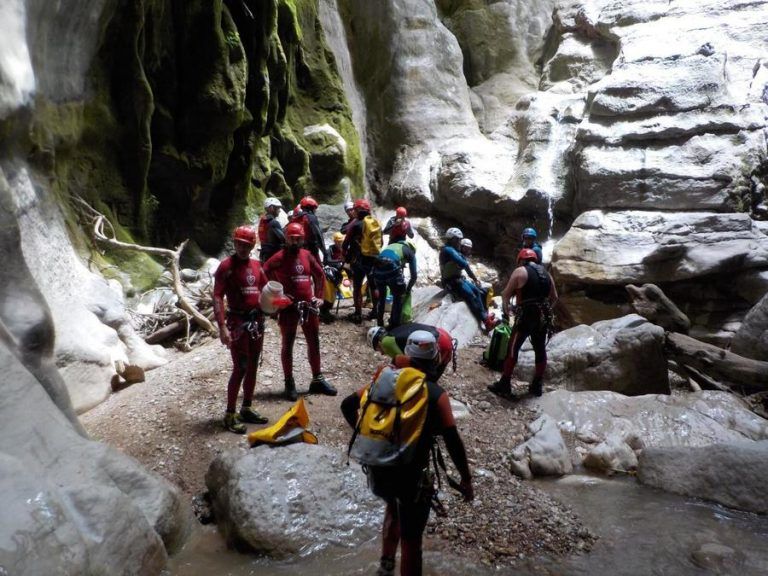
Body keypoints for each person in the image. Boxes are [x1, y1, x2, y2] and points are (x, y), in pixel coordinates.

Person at [342, 330, 473, 576]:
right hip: (412, 476)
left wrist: (368, 439)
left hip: (379, 468)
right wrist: (465, 479)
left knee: (393, 507)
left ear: (408, 355)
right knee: (412, 540)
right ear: (435, 358)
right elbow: (452, 440)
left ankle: (386, 566)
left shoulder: (386, 380)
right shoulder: (436, 394)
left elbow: (348, 405)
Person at [264, 222, 337, 400]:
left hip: (308, 306)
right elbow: (264, 271)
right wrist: (276, 295)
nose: (295, 242)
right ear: (286, 239)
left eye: (298, 239)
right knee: (287, 344)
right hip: (289, 308)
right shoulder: (279, 257)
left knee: (314, 341)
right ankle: (289, 382)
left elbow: (319, 274)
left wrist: (319, 297)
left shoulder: (307, 255)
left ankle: (317, 379)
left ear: (303, 239)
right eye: (292, 239)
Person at [213, 226, 270, 433]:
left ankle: (246, 407)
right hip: (237, 322)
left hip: (256, 321)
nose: (242, 248)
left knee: (253, 364)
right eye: (239, 244)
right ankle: (229, 414)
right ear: (234, 243)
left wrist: (277, 302)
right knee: (241, 367)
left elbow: (265, 290)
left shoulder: (257, 266)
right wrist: (221, 327)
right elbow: (217, 296)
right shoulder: (225, 267)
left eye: (247, 245)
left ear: (252, 246)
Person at [488, 248, 557, 398]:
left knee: (513, 349)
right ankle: (537, 385)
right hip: (542, 316)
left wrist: (506, 313)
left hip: (526, 315)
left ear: (521, 260)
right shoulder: (547, 274)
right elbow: (554, 298)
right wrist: (546, 312)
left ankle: (505, 384)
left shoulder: (520, 271)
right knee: (540, 350)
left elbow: (506, 294)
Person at [439, 227, 494, 331]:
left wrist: (474, 278)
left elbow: (464, 265)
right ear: (453, 239)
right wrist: (473, 277)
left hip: (458, 278)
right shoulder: (448, 250)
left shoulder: (453, 250)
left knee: (476, 291)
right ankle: (485, 321)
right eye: (458, 239)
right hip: (450, 281)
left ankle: (485, 316)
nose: (459, 242)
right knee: (471, 295)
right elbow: (463, 264)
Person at [342, 198, 382, 324]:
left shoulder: (355, 224)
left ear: (358, 210)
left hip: (358, 260)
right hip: (373, 259)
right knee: (373, 285)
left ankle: (358, 313)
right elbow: (381, 242)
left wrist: (346, 256)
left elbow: (345, 243)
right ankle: (376, 311)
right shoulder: (375, 222)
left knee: (357, 286)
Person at [367, 324, 455, 380]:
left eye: (378, 350)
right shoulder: (395, 332)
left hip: (439, 342)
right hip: (444, 336)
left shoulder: (386, 342)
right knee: (431, 379)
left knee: (425, 381)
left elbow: (402, 365)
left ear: (378, 343)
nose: (382, 353)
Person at [372, 239, 417, 328]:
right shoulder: (410, 252)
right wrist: (407, 290)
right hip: (391, 268)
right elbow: (414, 276)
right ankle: (394, 325)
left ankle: (380, 324)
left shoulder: (392, 245)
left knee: (381, 298)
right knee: (398, 298)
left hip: (376, 269)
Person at [297, 196, 329, 263]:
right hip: (310, 250)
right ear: (310, 208)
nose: (315, 211)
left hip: (298, 250)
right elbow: (318, 235)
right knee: (319, 271)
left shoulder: (297, 218)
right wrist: (325, 252)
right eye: (314, 208)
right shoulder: (311, 217)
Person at [257, 197, 285, 263]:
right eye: (278, 208)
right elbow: (284, 239)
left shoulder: (263, 220)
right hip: (274, 255)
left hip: (264, 253)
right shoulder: (273, 222)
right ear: (272, 208)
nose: (280, 210)